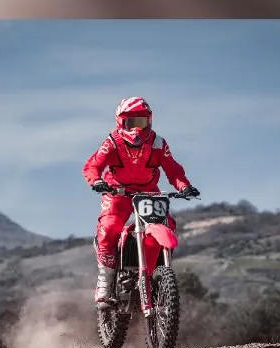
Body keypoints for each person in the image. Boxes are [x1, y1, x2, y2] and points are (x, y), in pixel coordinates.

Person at [82, 97, 200, 306]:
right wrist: (97, 181)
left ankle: (152, 275)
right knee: (109, 228)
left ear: (149, 121)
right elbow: (93, 165)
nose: (137, 129)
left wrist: (184, 186)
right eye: (131, 122)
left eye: (141, 122)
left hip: (148, 193)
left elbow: (173, 169)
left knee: (167, 226)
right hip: (117, 192)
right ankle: (105, 279)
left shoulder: (157, 143)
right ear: (121, 122)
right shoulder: (112, 142)